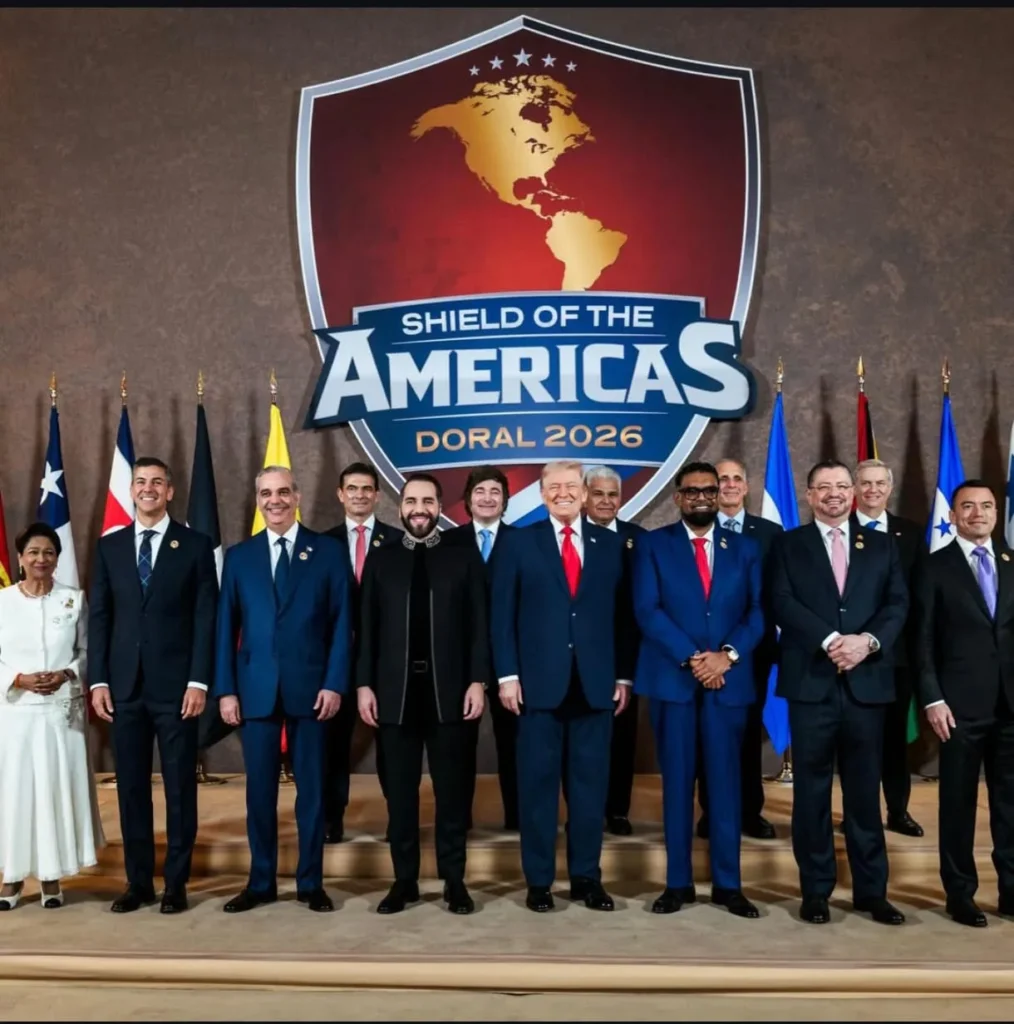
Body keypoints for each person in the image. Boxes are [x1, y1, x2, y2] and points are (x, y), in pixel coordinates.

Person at [491, 460, 635, 913]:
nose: (563, 493)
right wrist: (507, 675)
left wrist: (623, 675)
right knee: (537, 790)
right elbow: (501, 616)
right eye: (554, 486)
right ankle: (539, 882)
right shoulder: (518, 543)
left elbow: (624, 617)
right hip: (537, 688)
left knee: (590, 790)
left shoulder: (611, 545)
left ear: (585, 492)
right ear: (542, 492)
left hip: (595, 686)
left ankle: (586, 878)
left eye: (571, 486)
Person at [769, 459, 908, 925]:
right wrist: (832, 641)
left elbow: (897, 603)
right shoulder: (788, 544)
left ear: (854, 493)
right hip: (811, 683)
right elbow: (781, 601)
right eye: (824, 486)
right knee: (811, 794)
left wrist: (866, 642)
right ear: (809, 495)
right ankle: (816, 891)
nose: (834, 493)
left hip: (867, 684)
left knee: (865, 794)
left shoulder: (883, 545)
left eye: (842, 486)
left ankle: (872, 892)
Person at [215, 466, 351, 914]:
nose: (275, 500)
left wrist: (334, 683)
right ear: (258, 500)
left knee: (312, 793)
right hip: (255, 692)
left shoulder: (328, 552)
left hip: (312, 692)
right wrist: (226, 690)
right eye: (266, 493)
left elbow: (342, 626)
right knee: (259, 794)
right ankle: (261, 883)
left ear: (298, 496)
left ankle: (310, 883)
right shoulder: (240, 557)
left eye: (283, 492)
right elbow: (225, 629)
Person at [633, 463, 764, 917]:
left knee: (726, 786)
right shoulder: (653, 545)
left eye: (710, 490)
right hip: (675, 683)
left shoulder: (745, 548)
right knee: (676, 785)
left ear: (721, 494)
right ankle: (678, 883)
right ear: (678, 498)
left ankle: (729, 885)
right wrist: (694, 658)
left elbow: (757, 611)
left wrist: (726, 656)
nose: (702, 497)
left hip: (728, 683)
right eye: (692, 491)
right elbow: (647, 610)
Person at [356, 474, 491, 915]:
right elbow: (367, 629)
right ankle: (404, 881)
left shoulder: (462, 555)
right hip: (393, 696)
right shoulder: (382, 559)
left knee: (452, 794)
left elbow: (479, 624)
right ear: (399, 507)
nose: (419, 509)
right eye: (411, 501)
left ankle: (454, 881)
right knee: (400, 796)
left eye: (428, 501)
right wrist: (363, 685)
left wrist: (478, 680)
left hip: (449, 694)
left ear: (440, 506)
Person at [89, 458, 218, 915]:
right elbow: (100, 616)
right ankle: (139, 882)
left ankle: (176, 884)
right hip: (124, 688)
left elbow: (206, 617)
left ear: (170, 491)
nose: (148, 489)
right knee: (131, 789)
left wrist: (199, 680)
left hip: (178, 689)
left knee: (180, 788)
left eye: (157, 482)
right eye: (141, 482)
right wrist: (98, 679)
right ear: (132, 491)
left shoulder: (195, 545)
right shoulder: (110, 547)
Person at [914, 480, 1014, 927]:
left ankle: (1011, 892)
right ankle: (960, 894)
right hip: (956, 707)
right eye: (968, 507)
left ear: (996, 512)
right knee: (957, 805)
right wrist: (932, 698)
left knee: (1011, 806)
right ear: (953, 516)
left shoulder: (1013, 562)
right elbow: (921, 640)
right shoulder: (935, 567)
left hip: (1010, 706)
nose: (978, 514)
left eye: (986, 506)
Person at [0, 523, 102, 910]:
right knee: (16, 795)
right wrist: (18, 679)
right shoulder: (3, 602)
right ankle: (11, 879)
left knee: (54, 794)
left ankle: (50, 877)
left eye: (48, 553)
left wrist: (67, 673)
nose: (41, 559)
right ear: (20, 559)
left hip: (62, 715)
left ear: (58, 559)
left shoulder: (73, 600)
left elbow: (88, 651)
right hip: (15, 715)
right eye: (33, 552)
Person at [697, 457, 780, 841]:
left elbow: (774, 596)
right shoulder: (697, 528)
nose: (729, 485)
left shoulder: (771, 534)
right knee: (708, 735)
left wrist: (738, 649)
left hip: (752, 653)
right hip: (704, 656)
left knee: (746, 735)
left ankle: (750, 811)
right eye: (722, 479)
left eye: (736, 479)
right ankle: (710, 811)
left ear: (746, 487)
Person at [323, 461, 402, 844]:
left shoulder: (399, 541)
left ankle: (398, 820)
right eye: (352, 488)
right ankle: (331, 821)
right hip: (335, 662)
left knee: (392, 747)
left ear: (377, 494)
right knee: (333, 745)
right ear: (340, 494)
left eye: (366, 488)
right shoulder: (321, 544)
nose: (359, 495)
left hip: (386, 663)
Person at [442, 466, 517, 831]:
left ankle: (518, 819)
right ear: (467, 500)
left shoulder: (523, 541)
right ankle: (460, 822)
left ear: (505, 500)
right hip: (460, 662)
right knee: (457, 747)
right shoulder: (446, 543)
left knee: (515, 744)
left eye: (495, 492)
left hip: (512, 661)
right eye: (480, 491)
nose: (487, 498)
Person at [852, 458, 924, 837]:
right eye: (866, 483)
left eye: (880, 483)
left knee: (894, 740)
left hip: (896, 656)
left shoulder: (910, 533)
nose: (873, 490)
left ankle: (898, 811)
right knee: (856, 742)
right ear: (855, 489)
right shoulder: (839, 530)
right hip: (849, 656)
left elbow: (918, 597)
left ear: (890, 488)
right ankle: (857, 815)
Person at [582, 465, 645, 836]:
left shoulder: (639, 539)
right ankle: (584, 811)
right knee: (583, 742)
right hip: (579, 656)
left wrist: (627, 669)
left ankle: (617, 810)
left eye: (612, 495)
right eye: (598, 494)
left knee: (622, 737)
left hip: (625, 655)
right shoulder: (569, 536)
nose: (606, 501)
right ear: (584, 496)